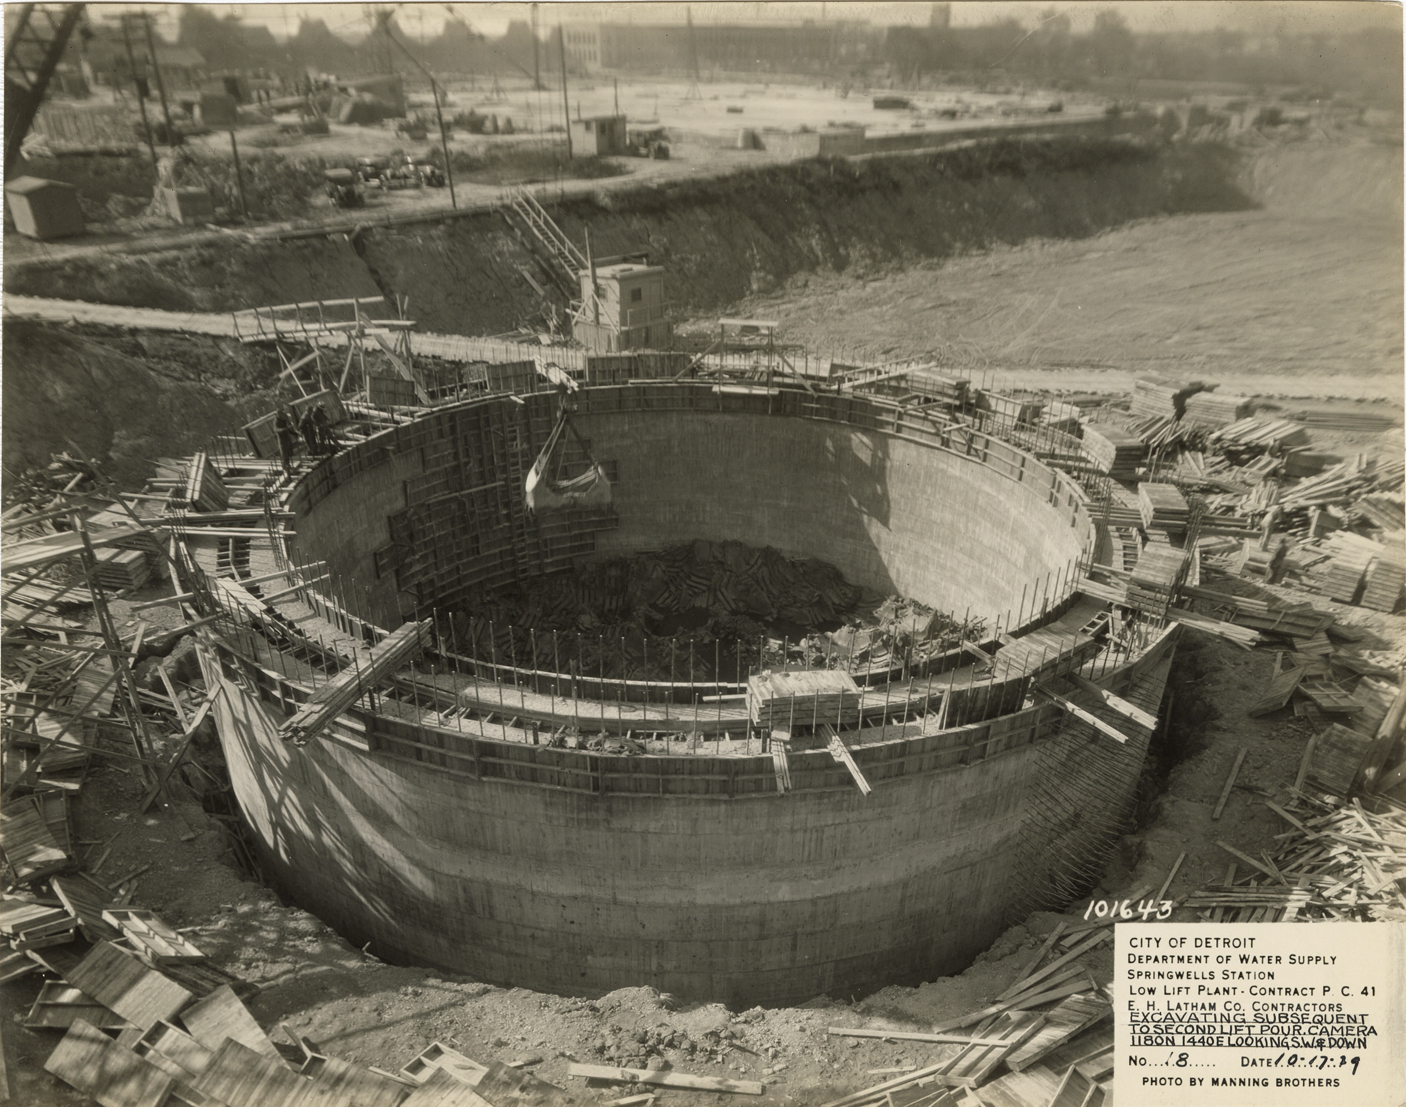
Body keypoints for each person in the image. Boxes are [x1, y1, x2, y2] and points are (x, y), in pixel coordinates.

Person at [274, 402, 298, 476]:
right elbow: (276, 429)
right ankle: (285, 467)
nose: (282, 416)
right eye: (281, 414)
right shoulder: (276, 421)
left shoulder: (283, 420)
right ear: (278, 415)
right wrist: (282, 429)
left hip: (287, 439)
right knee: (284, 454)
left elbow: (288, 429)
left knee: (288, 453)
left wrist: (295, 433)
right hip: (282, 441)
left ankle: (288, 466)